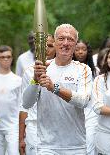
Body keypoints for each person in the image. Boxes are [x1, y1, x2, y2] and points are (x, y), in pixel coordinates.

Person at [22, 24, 92, 154]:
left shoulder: (83, 69)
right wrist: (35, 81)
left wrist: (54, 88)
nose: (65, 43)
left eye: (70, 39)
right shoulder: (39, 68)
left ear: (75, 44)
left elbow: (83, 101)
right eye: (61, 38)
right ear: (54, 42)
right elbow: (26, 103)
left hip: (75, 146)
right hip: (46, 146)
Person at [19, 34, 56, 155]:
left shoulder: (64, 70)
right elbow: (24, 106)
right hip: (34, 128)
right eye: (42, 46)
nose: (46, 49)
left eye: (50, 46)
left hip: (57, 128)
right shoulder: (29, 71)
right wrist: (21, 138)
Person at [0, 45, 22, 155]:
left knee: (13, 153)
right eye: (2, 57)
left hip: (13, 125)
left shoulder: (18, 80)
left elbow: (21, 104)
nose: (6, 59)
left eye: (8, 57)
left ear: (12, 59)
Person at [73, 40, 98, 154]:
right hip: (73, 112)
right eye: (77, 49)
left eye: (83, 49)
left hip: (91, 113)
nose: (80, 52)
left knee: (90, 145)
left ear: (88, 52)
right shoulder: (70, 69)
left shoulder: (95, 71)